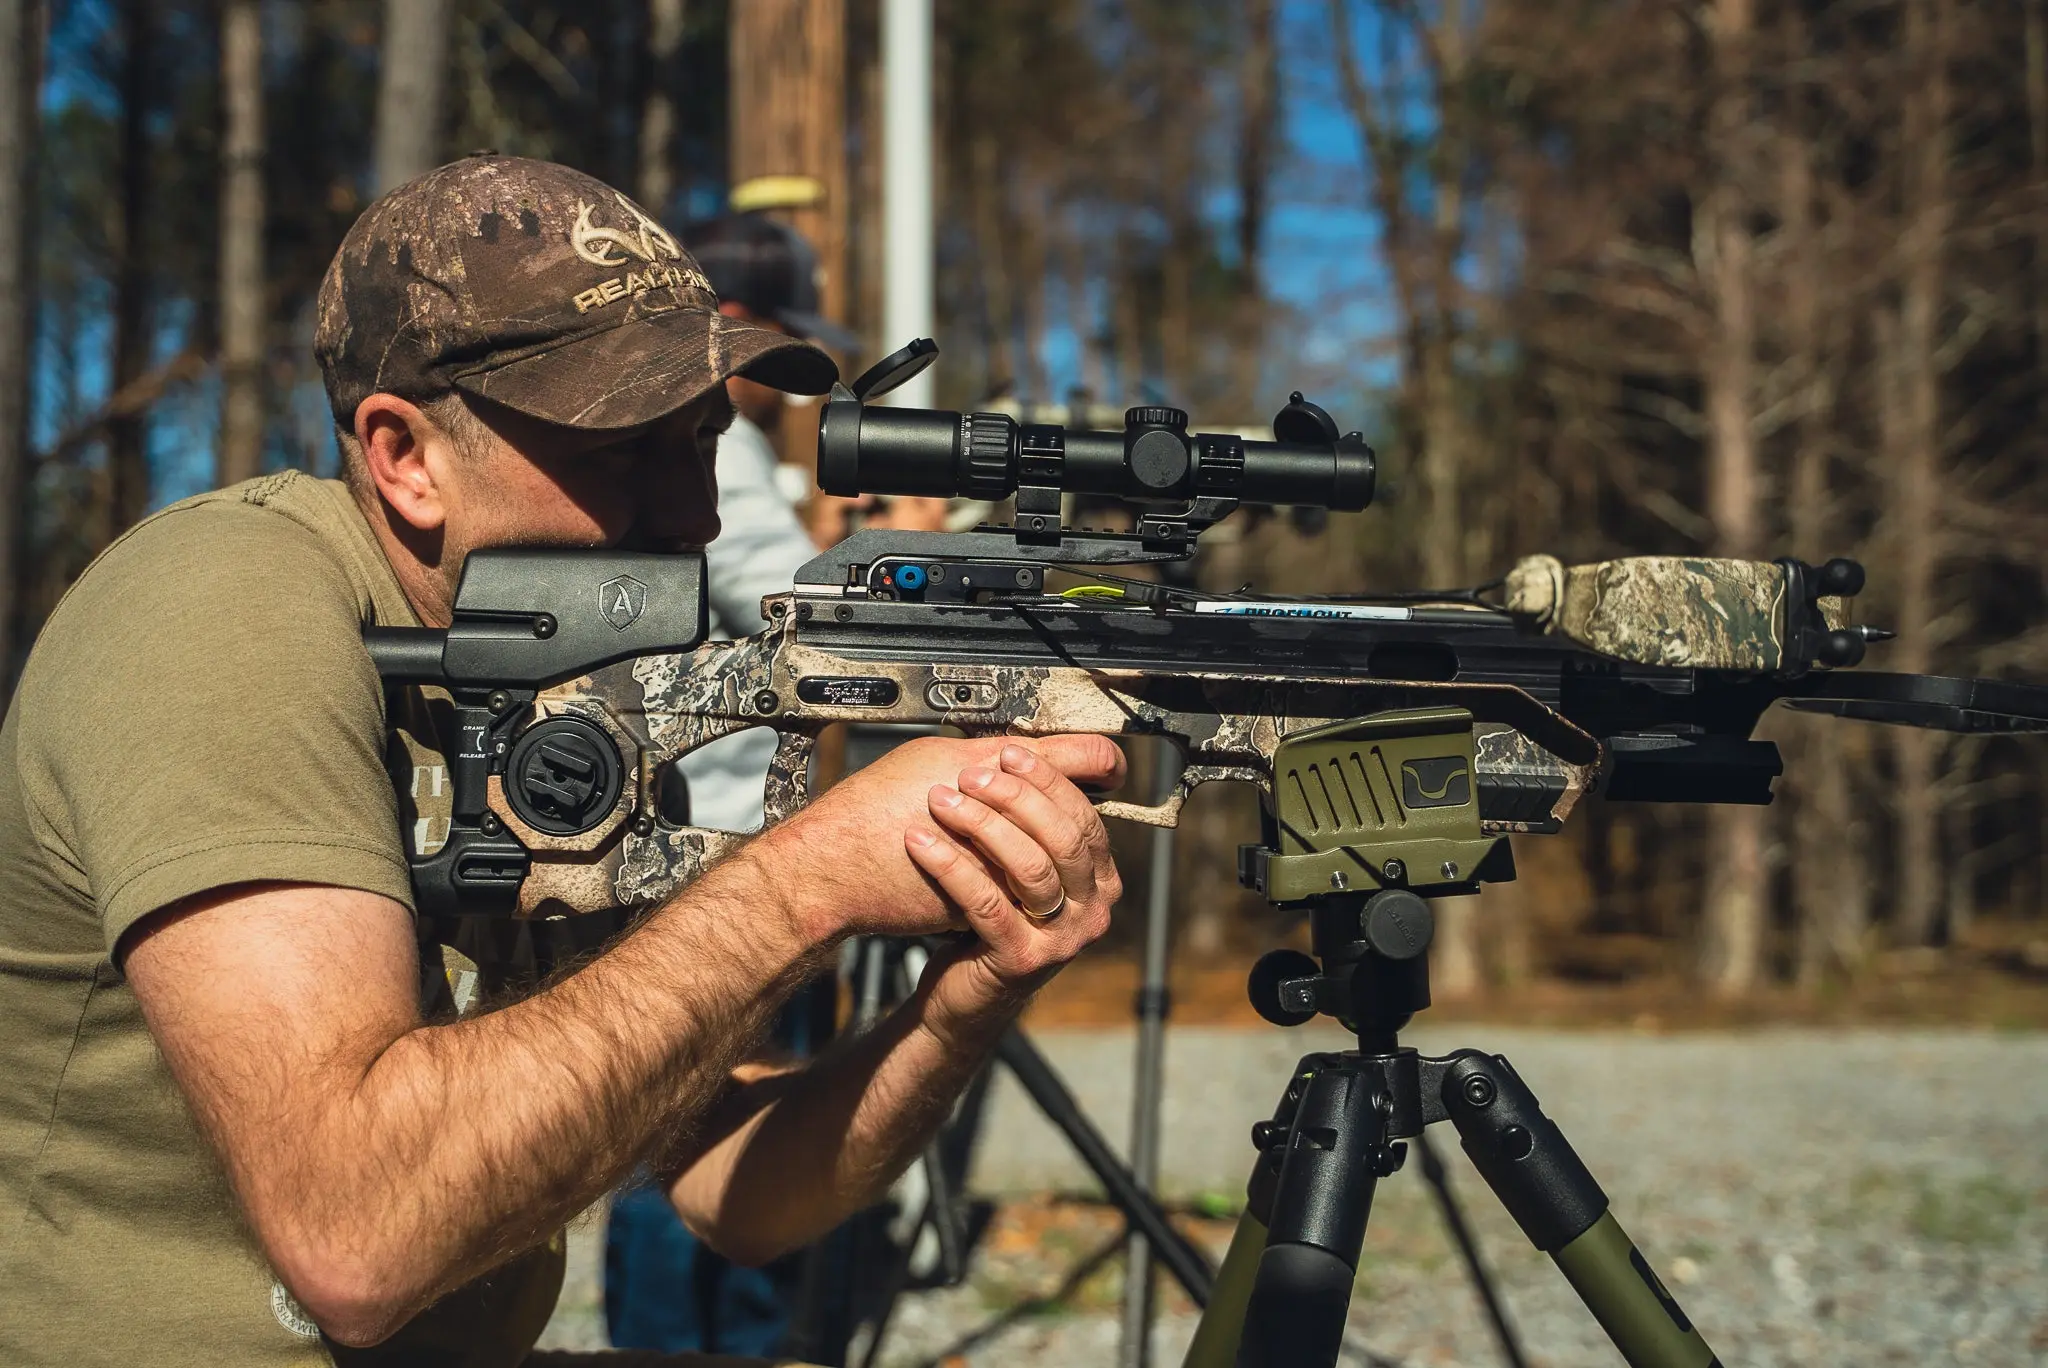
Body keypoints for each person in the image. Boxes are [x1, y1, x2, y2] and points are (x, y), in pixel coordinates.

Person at [0, 155, 1123, 1368]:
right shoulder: (223, 608)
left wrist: (962, 998)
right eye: (625, 444)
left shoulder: (581, 689)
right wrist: (804, 884)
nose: (690, 512)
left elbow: (732, 1192)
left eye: (701, 440)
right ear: (404, 455)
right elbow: (356, 1241)